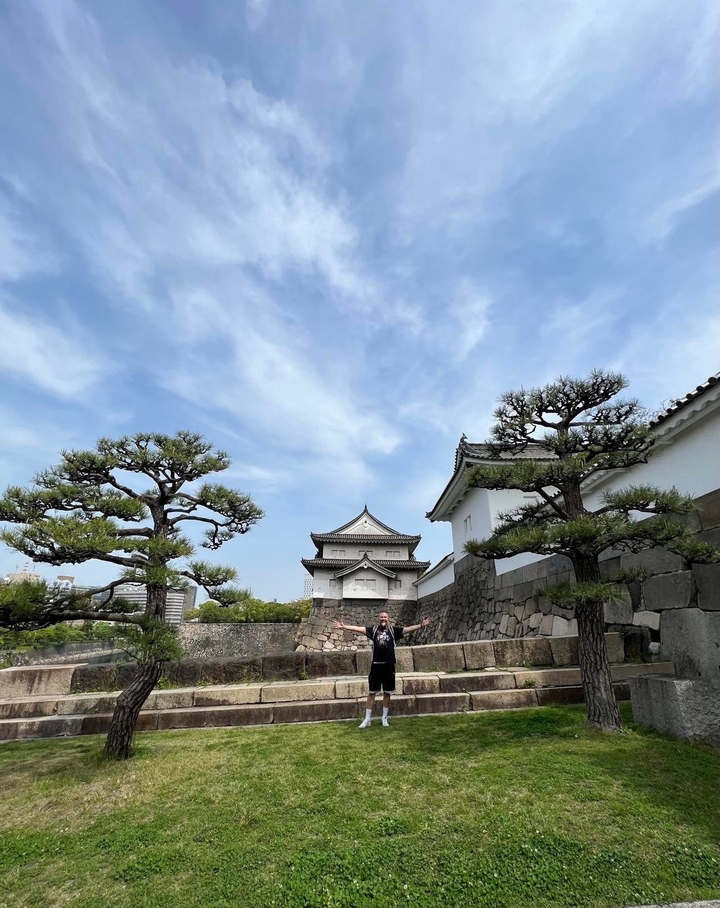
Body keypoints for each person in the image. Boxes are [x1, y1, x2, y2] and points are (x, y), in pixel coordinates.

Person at [334, 611, 431, 727]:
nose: (383, 619)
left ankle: (384, 718)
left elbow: (408, 629)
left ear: (388, 618)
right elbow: (358, 629)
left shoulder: (393, 631)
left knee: (387, 692)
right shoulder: (374, 630)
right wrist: (345, 627)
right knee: (372, 693)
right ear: (378, 618)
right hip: (376, 665)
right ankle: (367, 719)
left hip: (389, 665)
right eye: (381, 617)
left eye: (385, 617)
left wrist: (421, 625)